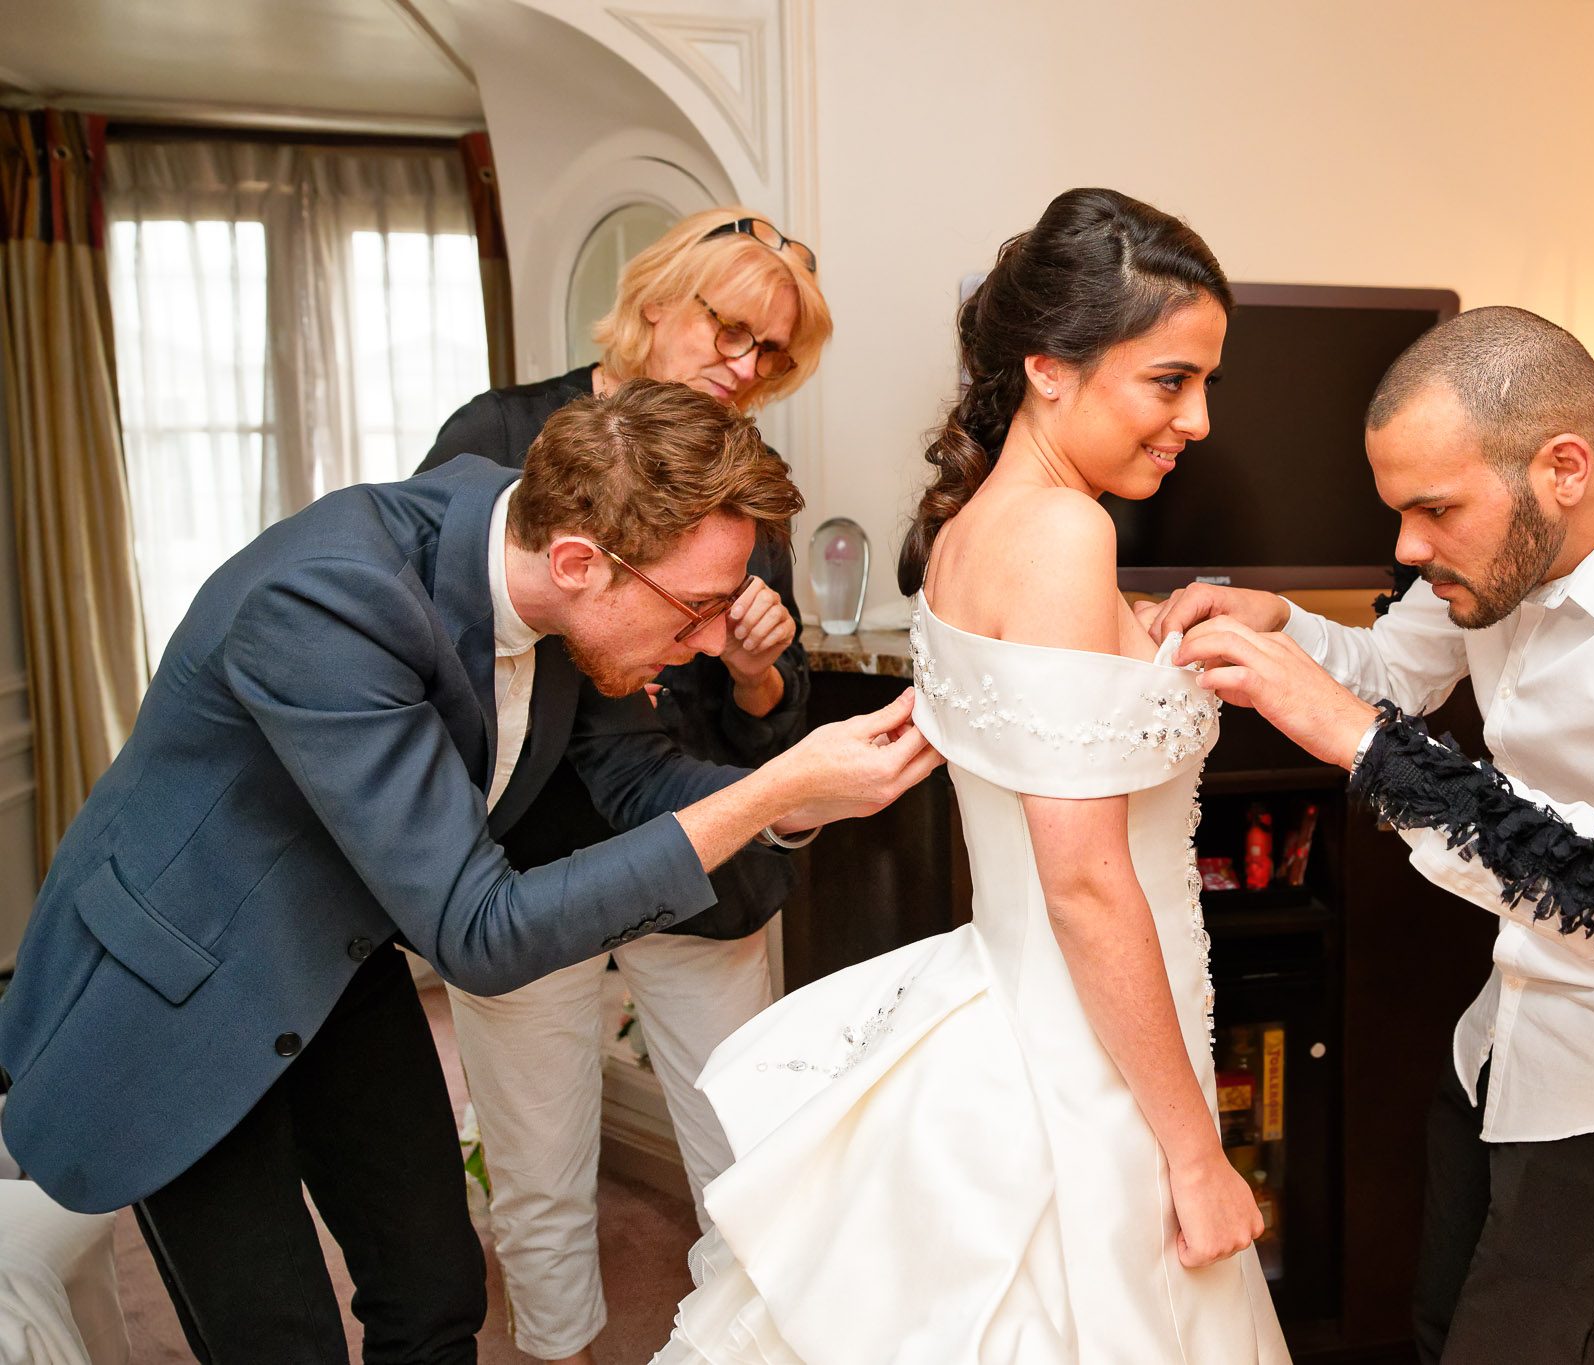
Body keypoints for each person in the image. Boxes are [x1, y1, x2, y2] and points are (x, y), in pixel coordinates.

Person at [0, 379, 940, 1365]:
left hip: (336, 950)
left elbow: (633, 773)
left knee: (435, 1288)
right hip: (177, 987)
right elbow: (480, 935)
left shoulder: (554, 567)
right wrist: (760, 793)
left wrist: (793, 800)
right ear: (578, 562)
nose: (709, 642)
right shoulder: (324, 603)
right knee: (281, 1342)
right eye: (695, 610)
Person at [646, 188, 1290, 1363]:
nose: (1196, 419)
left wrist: (1146, 636)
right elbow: (1086, 884)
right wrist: (1196, 1155)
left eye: (1204, 382)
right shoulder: (1062, 536)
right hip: (1080, 1051)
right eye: (1167, 381)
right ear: (1050, 369)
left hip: (1044, 998)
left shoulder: (971, 530)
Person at [1155, 306, 1594, 1364]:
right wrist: (1282, 626)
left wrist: (1358, 743)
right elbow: (1396, 673)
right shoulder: (1508, 543)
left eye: (1432, 510)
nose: (1405, 546)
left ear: (1563, 466)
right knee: (1442, 1328)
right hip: (1514, 1022)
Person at [417, 208, 829, 1365]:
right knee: (538, 1170)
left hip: (702, 866)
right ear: (657, 300)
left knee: (749, 1164)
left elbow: (770, 716)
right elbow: (446, 639)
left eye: (771, 358)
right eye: (731, 332)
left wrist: (754, 668)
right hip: (530, 868)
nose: (743, 371)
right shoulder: (498, 432)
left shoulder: (743, 483)